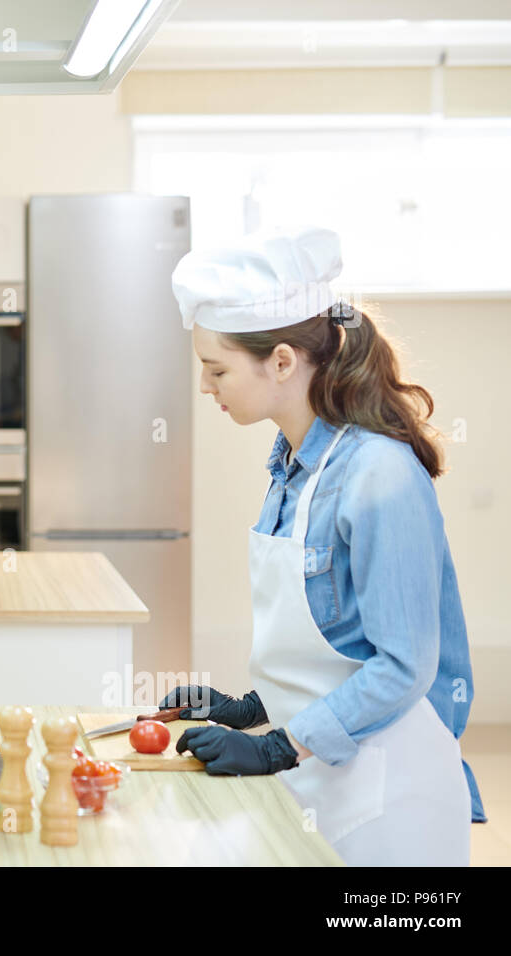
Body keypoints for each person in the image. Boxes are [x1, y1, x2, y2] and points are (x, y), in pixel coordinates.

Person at [162, 226, 481, 866]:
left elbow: (402, 667)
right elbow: (337, 651)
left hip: (392, 798)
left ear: (282, 361)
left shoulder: (380, 476)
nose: (205, 387)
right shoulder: (291, 466)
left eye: (216, 369)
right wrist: (249, 711)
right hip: (322, 781)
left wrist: (279, 745)